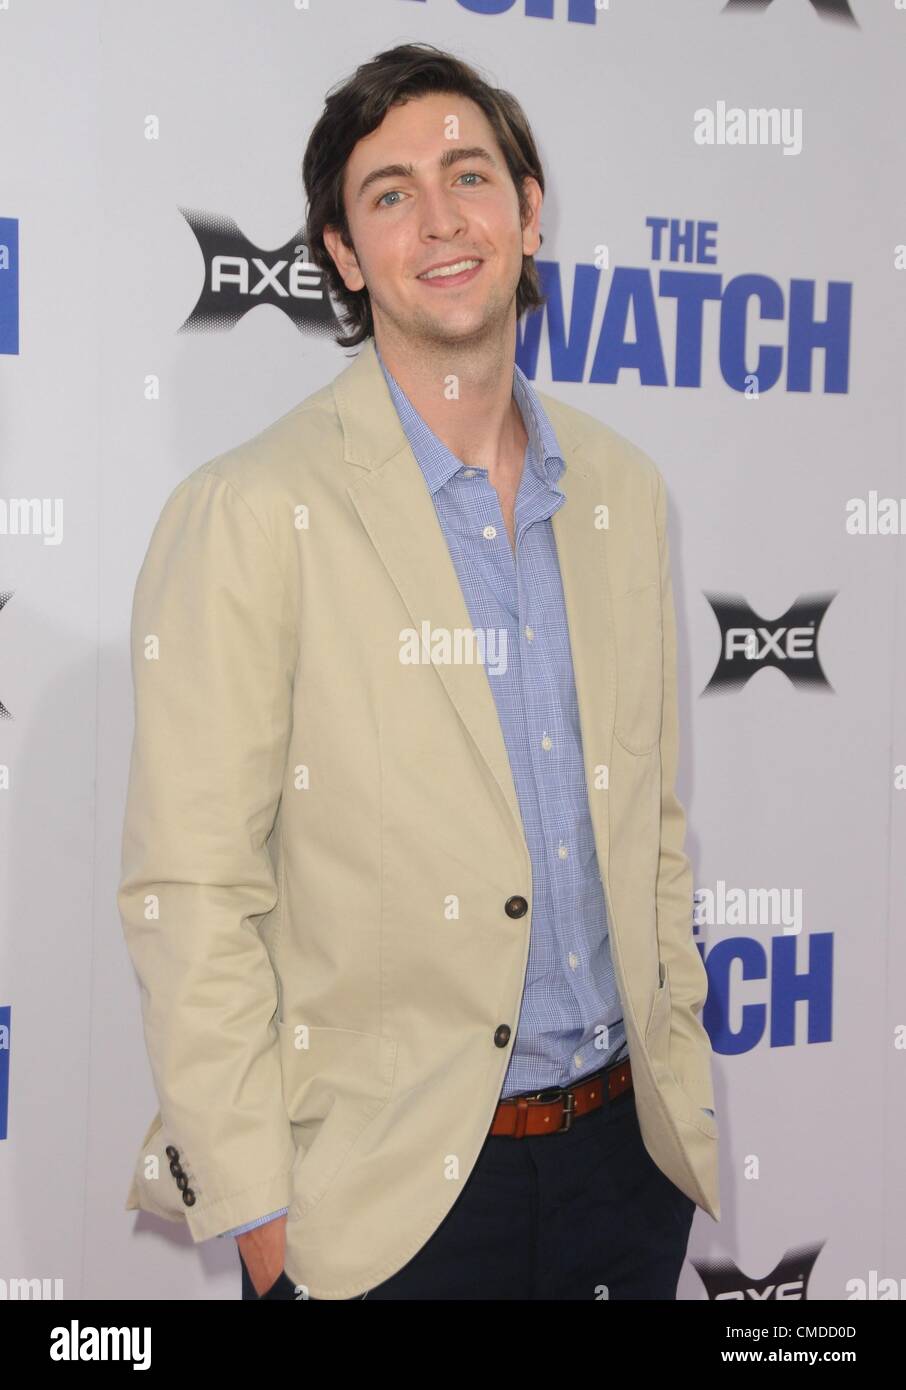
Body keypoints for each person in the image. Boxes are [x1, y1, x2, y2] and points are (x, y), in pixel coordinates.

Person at [118, 41, 719, 1302]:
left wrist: (679, 1082)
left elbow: (651, 826)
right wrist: (265, 1220)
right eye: (389, 194)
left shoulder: (624, 492)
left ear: (529, 208)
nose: (440, 220)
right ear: (343, 254)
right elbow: (192, 887)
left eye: (470, 176)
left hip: (627, 1175)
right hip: (384, 1215)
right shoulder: (248, 509)